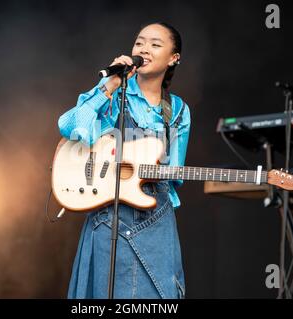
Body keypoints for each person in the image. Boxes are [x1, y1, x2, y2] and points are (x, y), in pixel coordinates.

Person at [58, 22, 191, 299]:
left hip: (156, 219)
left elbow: (174, 172)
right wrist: (110, 85)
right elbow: (69, 125)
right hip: (111, 218)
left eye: (155, 44)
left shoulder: (177, 109)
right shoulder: (113, 91)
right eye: (140, 42)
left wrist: (150, 172)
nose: (144, 49)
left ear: (173, 57)